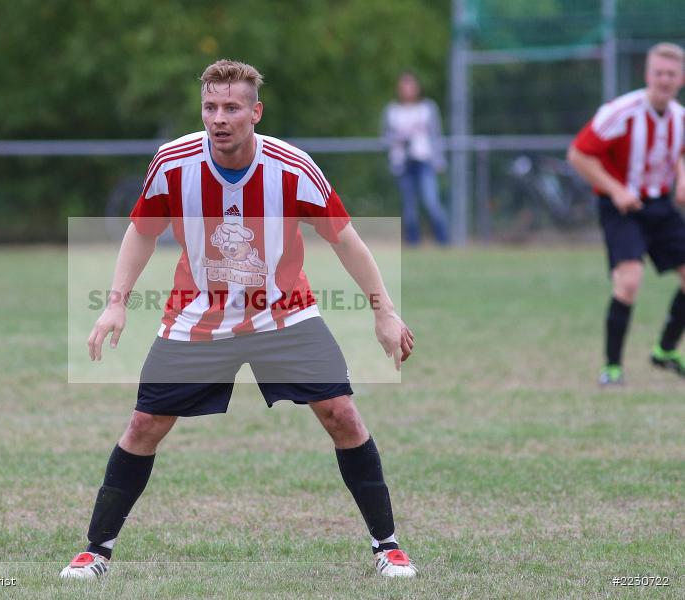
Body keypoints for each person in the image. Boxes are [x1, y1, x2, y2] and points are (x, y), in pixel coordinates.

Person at [60, 60, 418, 581]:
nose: (219, 118)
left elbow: (345, 239)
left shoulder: (293, 168)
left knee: (341, 413)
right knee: (143, 425)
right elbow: (141, 231)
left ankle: (388, 547)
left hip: (283, 313)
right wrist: (116, 302)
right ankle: (96, 551)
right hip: (198, 316)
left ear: (256, 112)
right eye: (210, 107)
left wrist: (384, 313)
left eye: (231, 107)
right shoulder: (173, 162)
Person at [568, 42, 685, 386]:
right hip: (621, 208)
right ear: (647, 75)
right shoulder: (620, 112)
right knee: (629, 281)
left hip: (659, 206)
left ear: (681, 79)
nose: (665, 80)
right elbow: (578, 155)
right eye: (659, 73)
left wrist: (682, 179)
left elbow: (680, 152)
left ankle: (665, 350)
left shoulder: (679, 118)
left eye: (672, 74)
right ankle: (612, 368)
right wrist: (616, 189)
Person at [381, 71, 450, 246]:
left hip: (424, 160)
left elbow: (436, 135)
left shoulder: (427, 108)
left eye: (410, 86)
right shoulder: (392, 111)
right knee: (409, 206)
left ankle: (443, 240)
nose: (407, 90)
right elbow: (385, 137)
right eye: (403, 87)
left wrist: (439, 160)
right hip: (402, 163)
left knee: (431, 201)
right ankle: (413, 242)